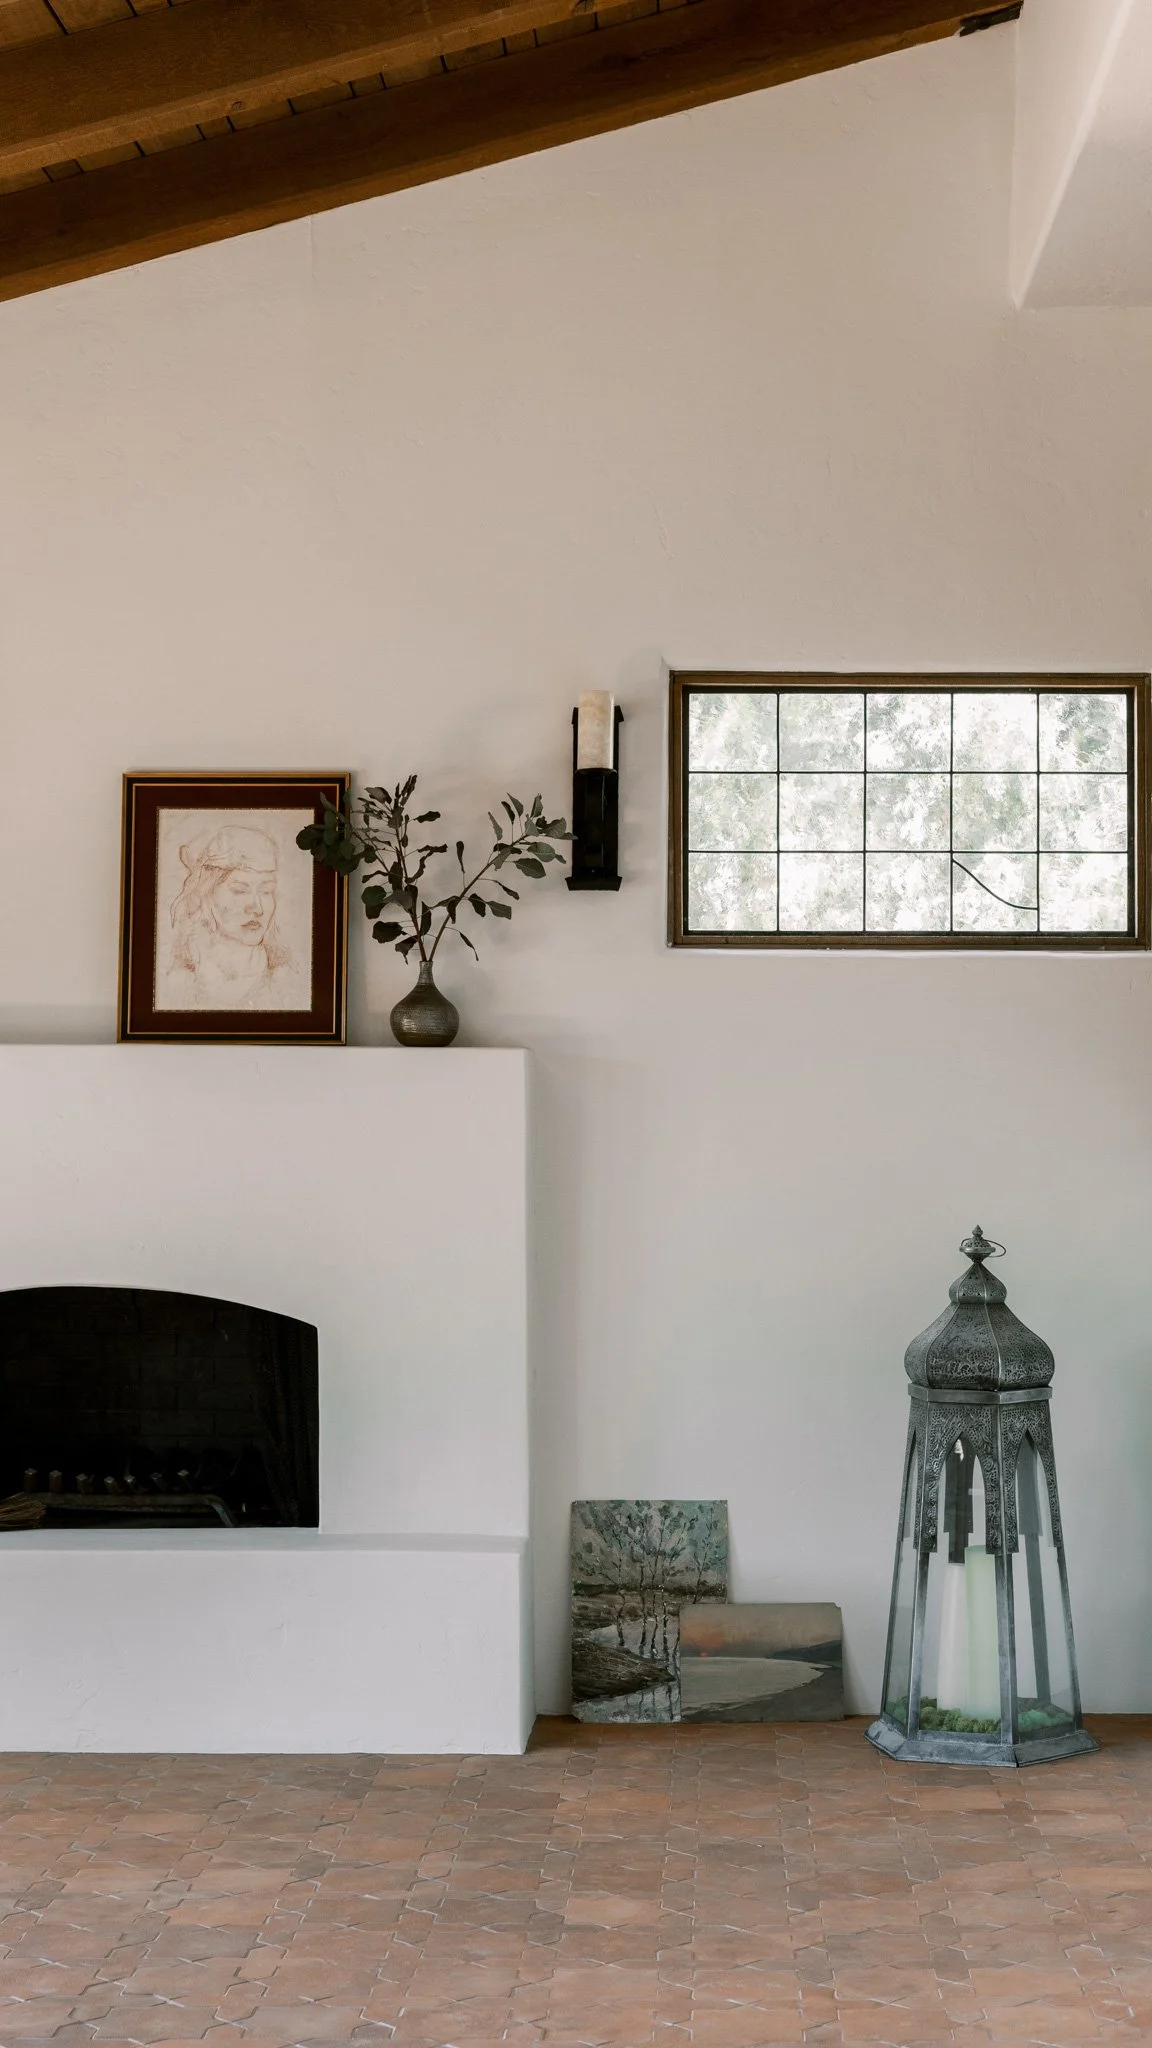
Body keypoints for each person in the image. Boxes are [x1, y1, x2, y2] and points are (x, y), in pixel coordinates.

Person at [163, 823, 298, 1010]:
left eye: (267, 891)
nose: (257, 908)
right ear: (206, 893)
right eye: (239, 890)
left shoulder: (284, 979)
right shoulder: (181, 980)